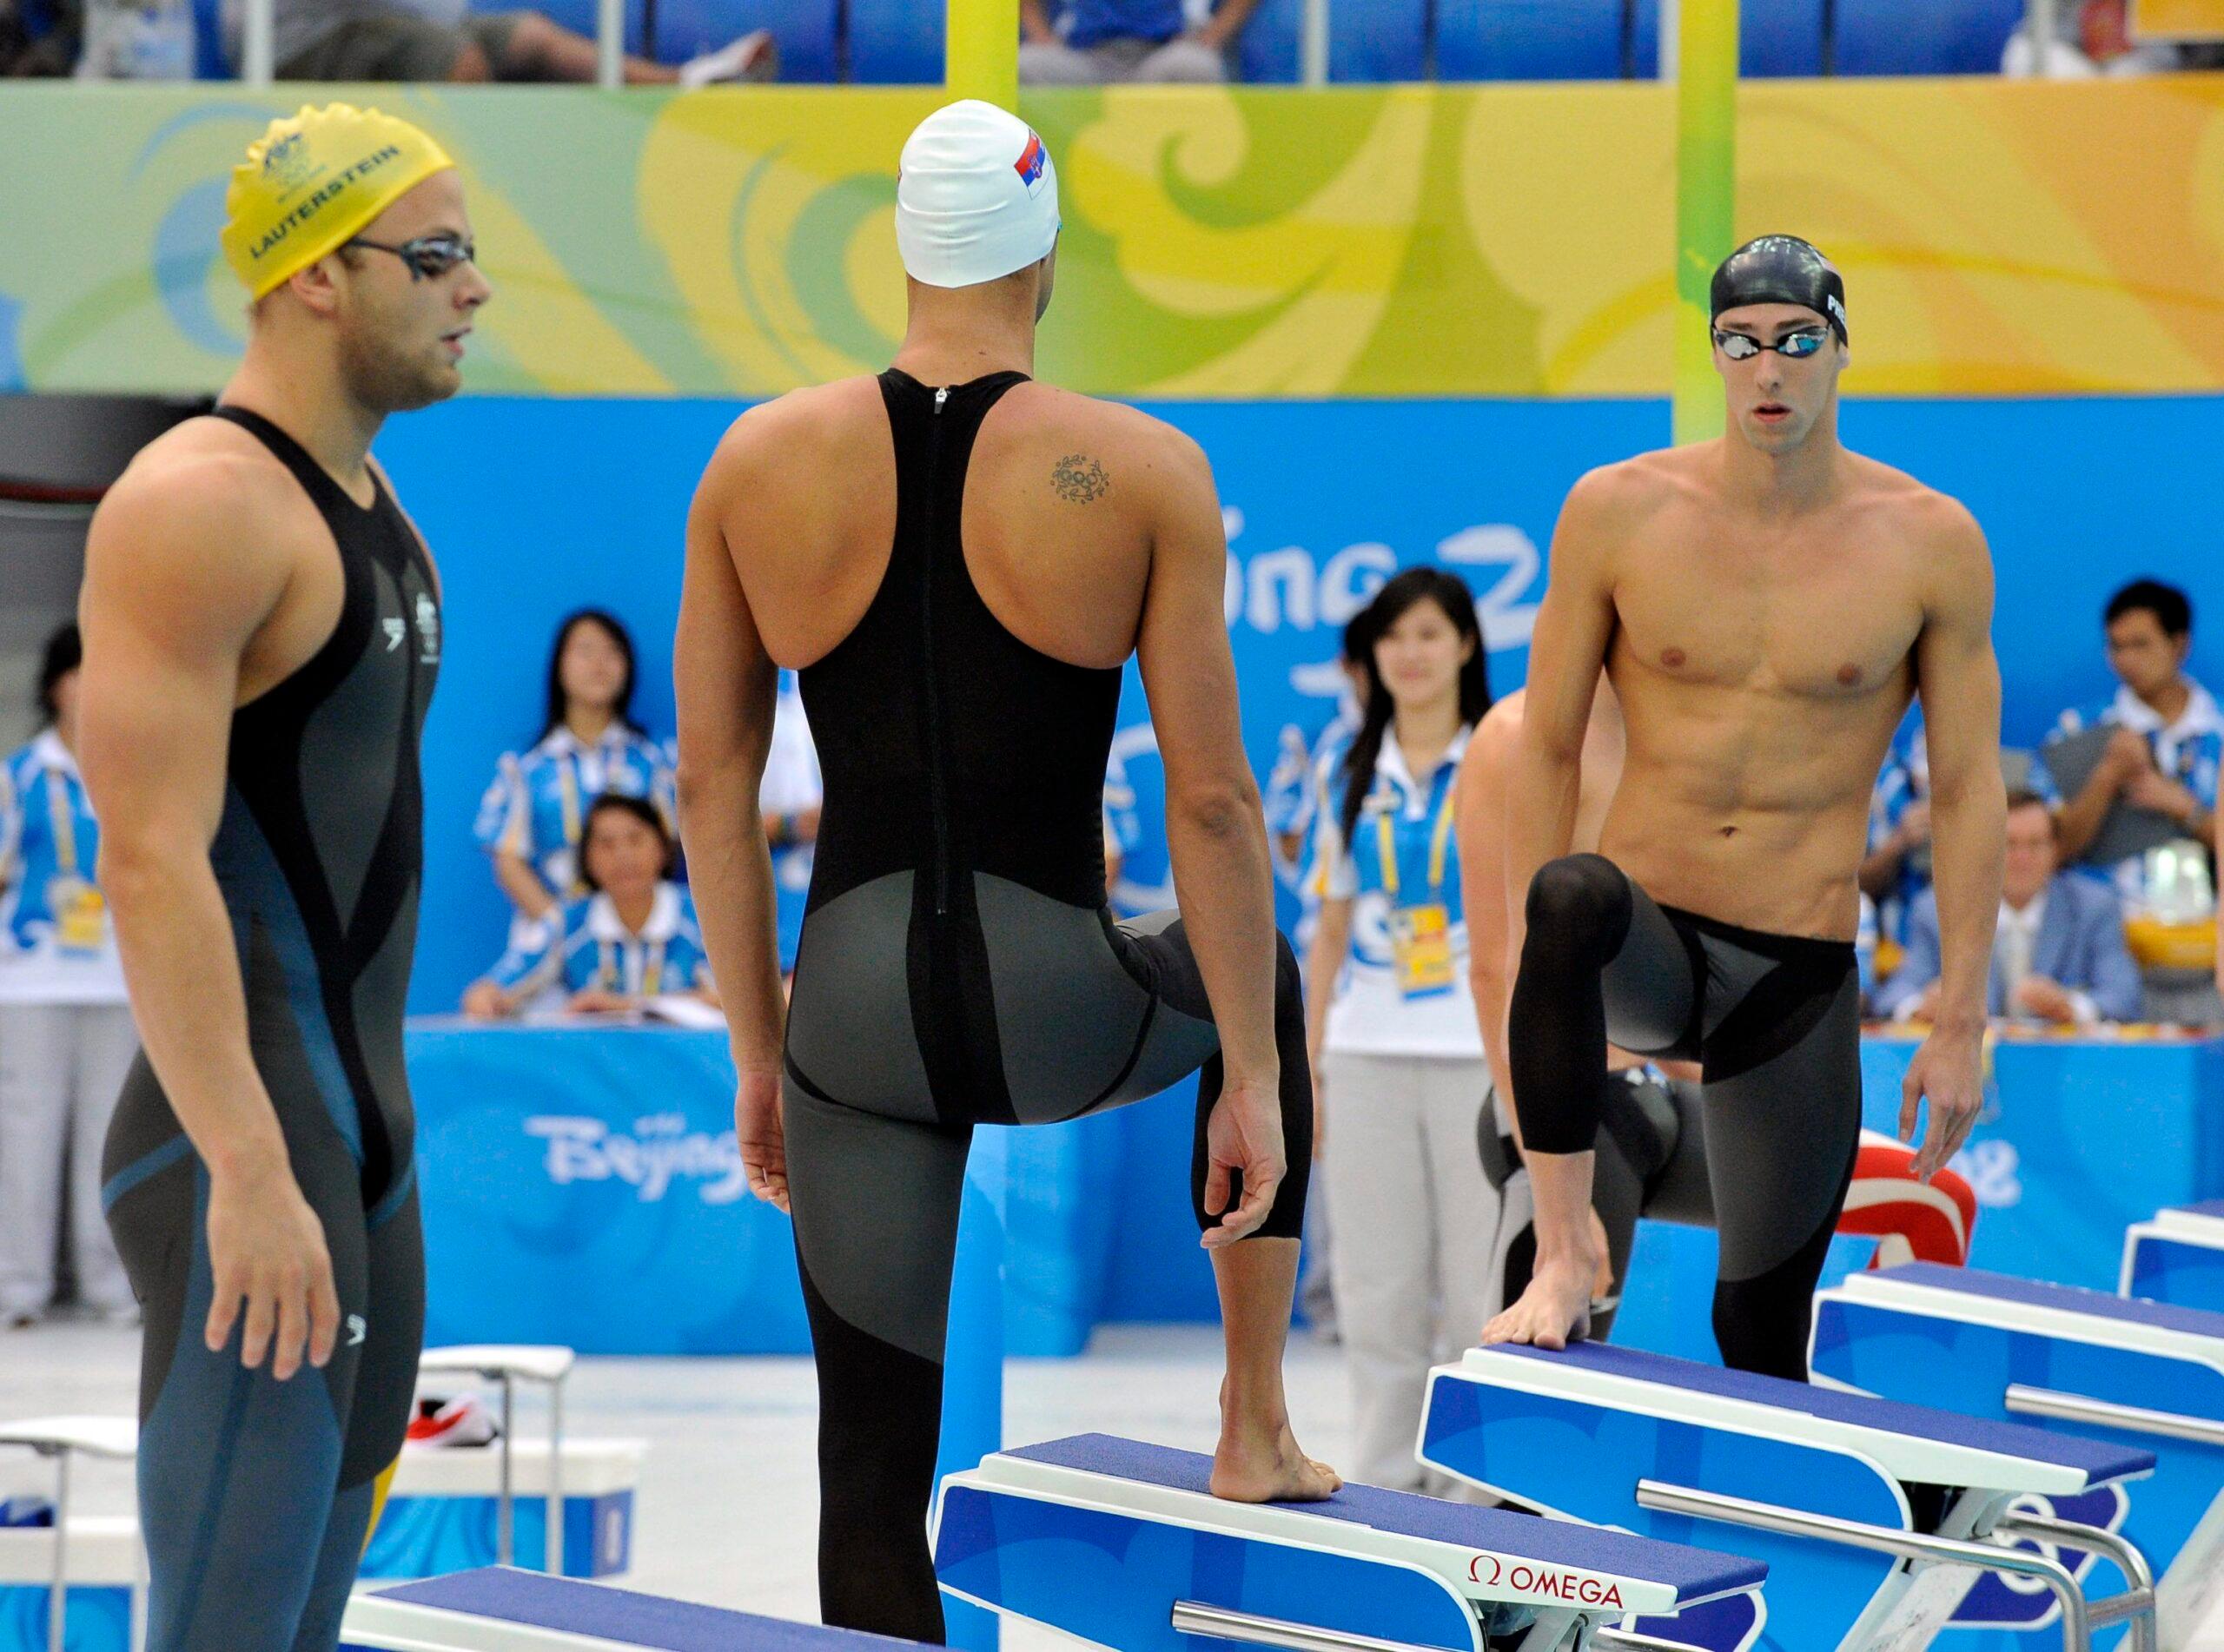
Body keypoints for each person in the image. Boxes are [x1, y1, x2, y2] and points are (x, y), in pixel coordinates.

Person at [673, 100, 1335, 1643]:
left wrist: (762, 1054)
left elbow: (710, 789)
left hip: (849, 1022)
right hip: (1054, 1007)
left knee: (867, 1470)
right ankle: (1253, 1420)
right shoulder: (1143, 467)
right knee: (1262, 970)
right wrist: (1249, 1073)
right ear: (1044, 254)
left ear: (907, 252)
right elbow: (1215, 806)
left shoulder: (756, 461)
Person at [79, 104, 485, 1651]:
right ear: (318, 272)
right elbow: (148, 857)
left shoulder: (385, 520)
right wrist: (247, 1168)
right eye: (436, 256)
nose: (474, 289)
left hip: (364, 1146)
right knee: (228, 1627)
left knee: (305, 1623)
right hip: (240, 1150)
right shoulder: (198, 504)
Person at [1484, 235, 2003, 1378]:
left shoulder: (1931, 542)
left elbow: (1969, 789)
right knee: (1569, 896)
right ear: (1716, 353)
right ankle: (1564, 1251)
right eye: (1742, 343)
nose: (1768, 370)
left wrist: (1961, 1019)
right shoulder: (1617, 510)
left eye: (1796, 342)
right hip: (1649, 942)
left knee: (1760, 1336)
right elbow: (1548, 743)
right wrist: (1535, 967)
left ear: (1841, 349)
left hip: (1792, 967)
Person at [1461, 679, 1979, 1342]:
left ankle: (1861, 1402)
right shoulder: (1515, 737)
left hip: (1676, 1091)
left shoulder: (1694, 725)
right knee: (1536, 1375)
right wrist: (1559, 1210)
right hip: (1574, 1114)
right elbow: (1495, 971)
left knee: (1934, 1203)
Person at [1300, 568, 1494, 1492]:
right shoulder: (1346, 766)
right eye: (1392, 636)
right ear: (1370, 655)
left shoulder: (1503, 756)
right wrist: (1306, 1067)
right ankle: (1383, 1485)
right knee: (1375, 1290)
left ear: (1465, 645)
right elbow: (1329, 929)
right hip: (1363, 1055)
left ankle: (1470, 1494)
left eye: (1428, 634)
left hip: (1478, 1058)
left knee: (1479, 1291)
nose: (1409, 654)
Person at [0, 624, 138, 1327]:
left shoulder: (140, 771)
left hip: (120, 977)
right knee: (26, 1134)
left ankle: (111, 1287)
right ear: (56, 686)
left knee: (110, 1135)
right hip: (31, 980)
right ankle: (17, 1288)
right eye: (84, 673)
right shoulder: (19, 775)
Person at [475, 609, 677, 941]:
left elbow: (675, 847)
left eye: (612, 651)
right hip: (552, 940)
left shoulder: (657, 758)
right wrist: (563, 933)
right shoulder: (524, 766)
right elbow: (508, 861)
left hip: (642, 938)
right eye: (585, 650)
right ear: (559, 665)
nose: (599, 664)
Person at [1876, 788, 2141, 1027]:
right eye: (2009, 844)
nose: (2022, 858)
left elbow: (2123, 995)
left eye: (2035, 844)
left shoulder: (2094, 907)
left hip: (2064, 1060)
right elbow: (1895, 994)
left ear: (2055, 850)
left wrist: (2073, 1008)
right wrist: (1920, 1007)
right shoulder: (1938, 909)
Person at [463, 793, 717, 1018]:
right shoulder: (566, 921)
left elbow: (726, 1001)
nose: (623, 856)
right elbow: (491, 990)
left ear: (663, 848)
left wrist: (621, 1007)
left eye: (635, 839)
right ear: (587, 859)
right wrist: (488, 997)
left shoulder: (702, 917)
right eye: (606, 844)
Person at [2049, 579, 2218, 882]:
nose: (2125, 660)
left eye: (2140, 645)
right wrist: (2107, 777)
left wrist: (2185, 808)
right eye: (2117, 646)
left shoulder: (2218, 727)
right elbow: (2044, 855)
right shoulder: (2077, 729)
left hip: (2206, 909)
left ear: (2179, 644)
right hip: (2101, 908)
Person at [238, 0, 775, 85]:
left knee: (529, 35)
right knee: (457, 60)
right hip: (301, 43)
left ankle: (685, 82)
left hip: (407, 23)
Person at [1019, 0, 1260, 83]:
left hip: (1159, 58)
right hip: (1084, 57)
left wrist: (1213, 35)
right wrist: (1041, 36)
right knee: (1026, 65)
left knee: (1197, 66)